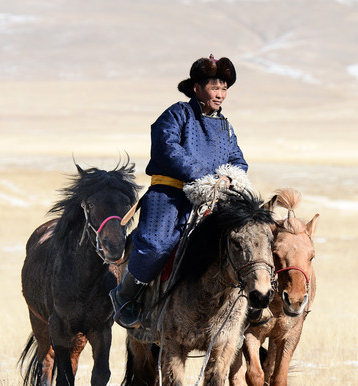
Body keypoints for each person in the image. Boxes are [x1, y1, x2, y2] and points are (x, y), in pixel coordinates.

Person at [110, 54, 265, 329]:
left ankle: (251, 298)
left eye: (224, 88)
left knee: (243, 238)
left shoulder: (226, 127)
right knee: (157, 244)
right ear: (197, 88)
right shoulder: (177, 114)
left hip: (214, 196)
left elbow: (238, 160)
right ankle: (125, 296)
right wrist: (203, 177)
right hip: (171, 194)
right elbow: (168, 149)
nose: (220, 94)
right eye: (214, 87)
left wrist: (230, 177)